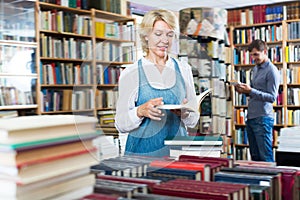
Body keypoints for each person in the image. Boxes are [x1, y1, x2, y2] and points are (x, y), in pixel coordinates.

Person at [115, 9, 200, 157]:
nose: (165, 40)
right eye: (158, 34)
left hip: (177, 154)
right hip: (141, 154)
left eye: (169, 34)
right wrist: (140, 111)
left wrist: (186, 113)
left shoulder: (184, 69)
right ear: (146, 36)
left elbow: (193, 120)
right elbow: (120, 124)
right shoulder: (131, 72)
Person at [234, 39, 280, 162]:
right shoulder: (255, 69)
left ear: (265, 52)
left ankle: (270, 181)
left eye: (256, 54)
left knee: (265, 157)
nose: (253, 58)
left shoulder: (272, 71)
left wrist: (250, 91)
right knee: (255, 157)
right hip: (252, 117)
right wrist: (244, 90)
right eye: (251, 55)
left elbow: (272, 97)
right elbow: (255, 92)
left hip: (263, 118)